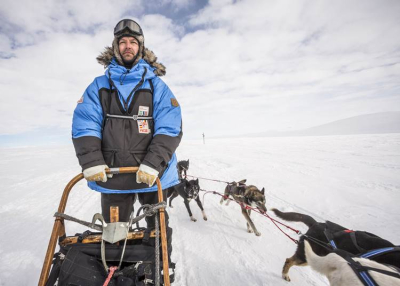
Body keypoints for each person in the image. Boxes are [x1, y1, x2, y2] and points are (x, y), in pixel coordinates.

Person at [72, 19, 182, 229]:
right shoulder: (99, 86)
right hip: (113, 175)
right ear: (116, 47)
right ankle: (118, 263)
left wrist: (154, 163)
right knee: (114, 233)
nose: (128, 46)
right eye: (123, 42)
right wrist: (91, 160)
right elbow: (85, 122)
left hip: (152, 175)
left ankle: (158, 262)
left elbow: (170, 126)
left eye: (133, 41)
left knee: (157, 230)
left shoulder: (156, 86)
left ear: (140, 47)